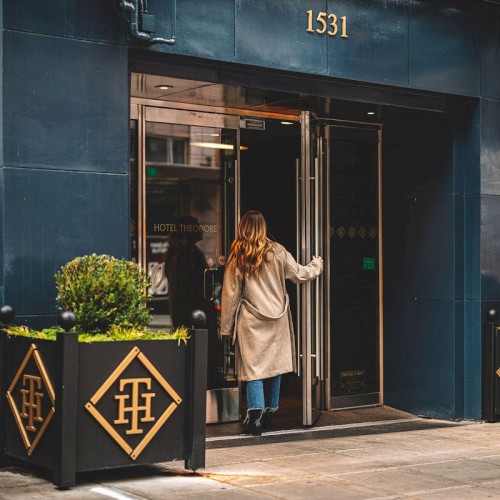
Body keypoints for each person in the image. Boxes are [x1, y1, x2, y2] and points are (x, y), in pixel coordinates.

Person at [220, 211, 323, 435]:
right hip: (277, 319)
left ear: (243, 228)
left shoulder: (238, 255)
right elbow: (300, 274)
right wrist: (316, 265)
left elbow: (230, 296)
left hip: (251, 322)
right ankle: (268, 412)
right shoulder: (278, 251)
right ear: (263, 228)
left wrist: (226, 329)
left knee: (253, 369)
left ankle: (254, 416)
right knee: (274, 366)